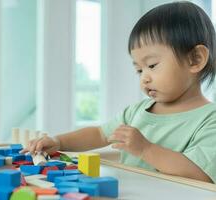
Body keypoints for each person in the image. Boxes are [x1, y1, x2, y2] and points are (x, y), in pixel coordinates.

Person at [22, 1, 216, 183]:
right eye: (139, 70)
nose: (144, 78)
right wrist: (59, 141)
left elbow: (200, 174)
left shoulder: (210, 119)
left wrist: (146, 149)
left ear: (195, 59)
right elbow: (99, 133)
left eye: (152, 65)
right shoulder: (136, 112)